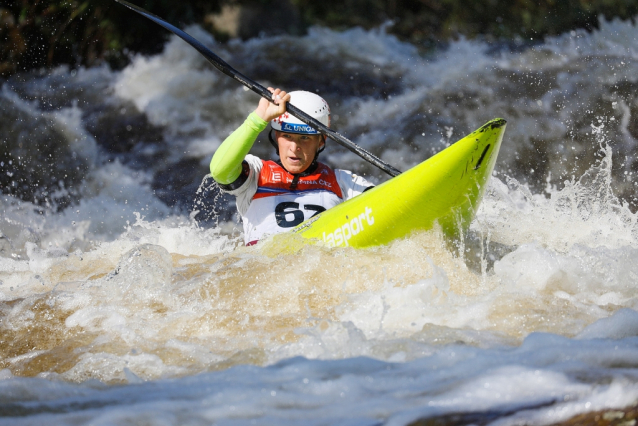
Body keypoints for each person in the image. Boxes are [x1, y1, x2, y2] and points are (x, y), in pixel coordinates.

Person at [210, 88, 373, 246]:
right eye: (287, 136)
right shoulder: (256, 174)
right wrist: (258, 119)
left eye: (304, 138)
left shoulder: (344, 182)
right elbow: (220, 171)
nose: (294, 148)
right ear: (276, 136)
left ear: (321, 141)